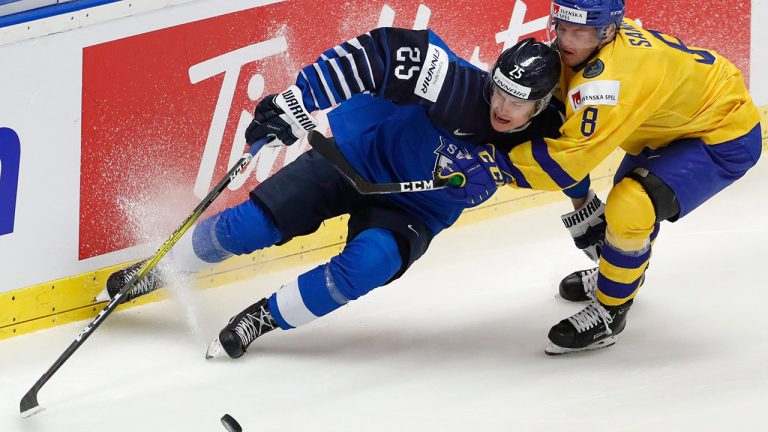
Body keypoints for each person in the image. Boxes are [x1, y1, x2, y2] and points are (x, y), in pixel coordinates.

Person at [97, 35, 563, 359]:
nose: (502, 107)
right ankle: (161, 269)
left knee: (366, 267)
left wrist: (593, 223)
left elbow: (578, 176)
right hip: (354, 158)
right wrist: (298, 99)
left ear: (541, 105)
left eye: (518, 102)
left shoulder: (547, 146)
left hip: (414, 210)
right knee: (248, 227)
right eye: (500, 91)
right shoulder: (458, 85)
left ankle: (263, 318)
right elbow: (378, 54)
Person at [451, 0, 762, 355]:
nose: (566, 40)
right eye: (563, 27)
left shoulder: (609, 83)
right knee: (627, 215)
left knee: (631, 205)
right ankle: (620, 275)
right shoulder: (592, 52)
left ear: (607, 31)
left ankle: (610, 313)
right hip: (670, 126)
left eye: (580, 32)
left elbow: (566, 162)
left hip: (721, 135)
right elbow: (557, 133)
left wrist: (493, 166)